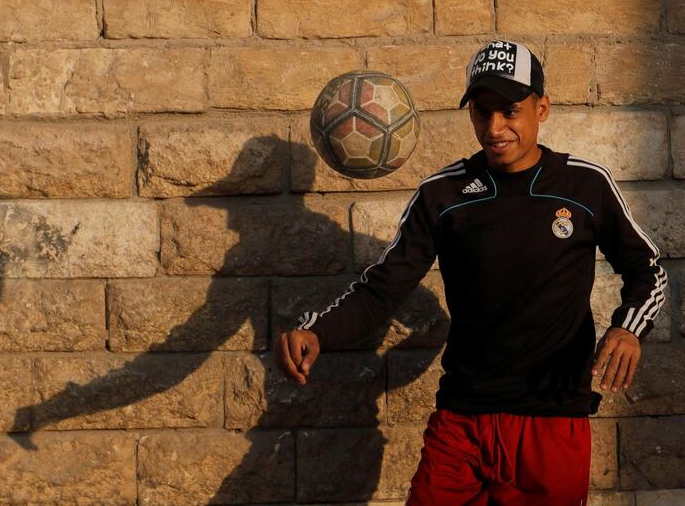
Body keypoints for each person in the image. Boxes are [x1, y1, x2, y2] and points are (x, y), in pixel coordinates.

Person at [274, 40, 668, 505]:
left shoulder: (585, 184)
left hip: (552, 418)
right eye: (482, 113)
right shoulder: (444, 194)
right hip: (462, 419)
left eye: (510, 111)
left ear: (542, 108)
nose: (495, 127)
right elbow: (384, 288)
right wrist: (320, 331)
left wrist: (628, 329)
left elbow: (648, 271)